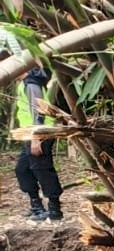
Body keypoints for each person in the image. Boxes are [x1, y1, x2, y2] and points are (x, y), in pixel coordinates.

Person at [13, 67, 62, 222]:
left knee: (42, 169)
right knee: (22, 169)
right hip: (28, 134)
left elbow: (37, 110)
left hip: (39, 133)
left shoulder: (32, 82)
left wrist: (36, 137)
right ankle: (36, 206)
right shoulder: (24, 83)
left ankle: (54, 210)